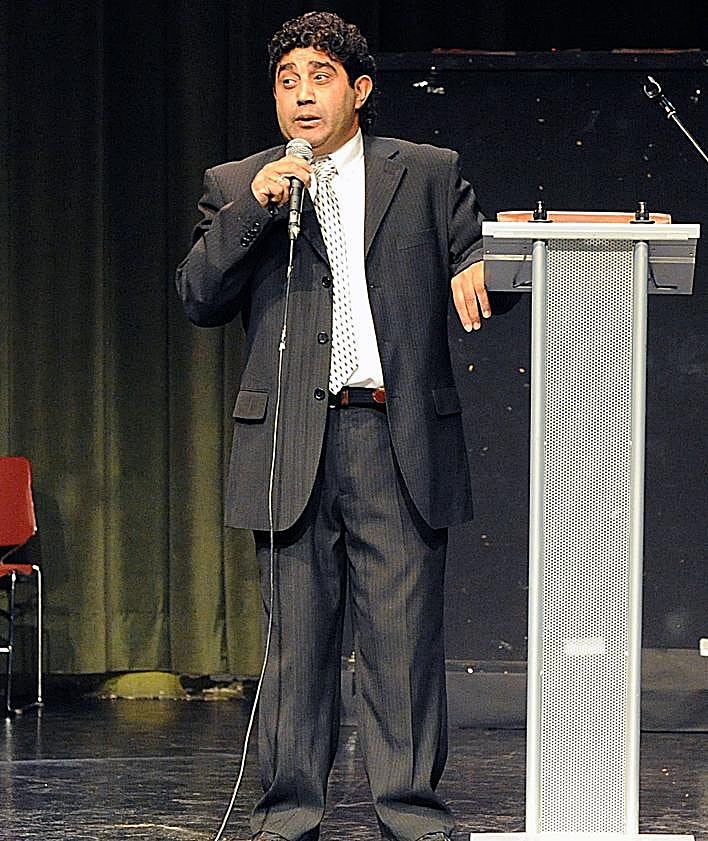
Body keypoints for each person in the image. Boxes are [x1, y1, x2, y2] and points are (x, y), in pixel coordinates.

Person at [175, 12, 491, 841]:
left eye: (320, 77)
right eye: (287, 80)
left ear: (359, 90)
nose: (302, 95)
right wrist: (255, 203)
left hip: (396, 435)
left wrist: (478, 259)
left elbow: (474, 254)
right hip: (291, 442)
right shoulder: (239, 180)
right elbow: (199, 294)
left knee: (403, 645)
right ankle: (287, 814)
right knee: (299, 651)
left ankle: (413, 814)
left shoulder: (425, 173)